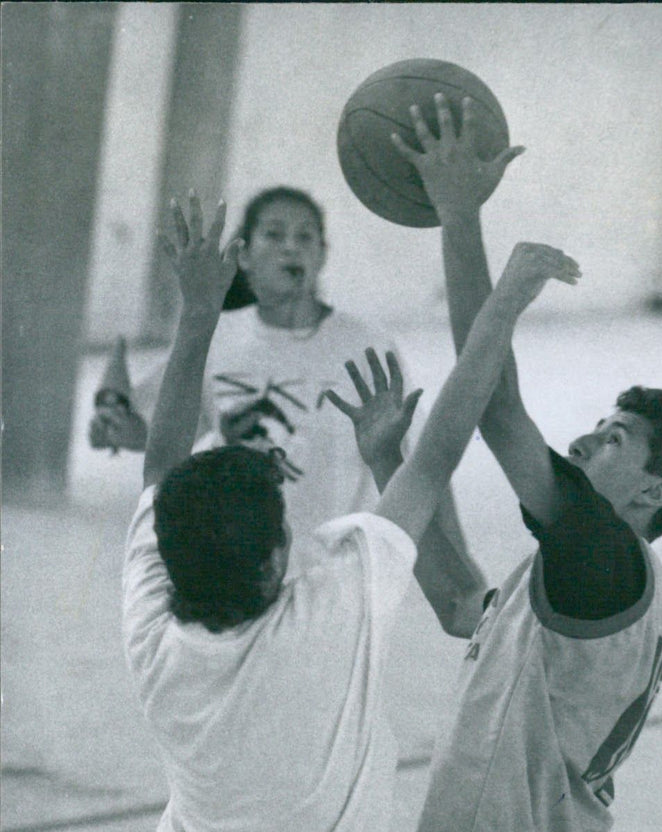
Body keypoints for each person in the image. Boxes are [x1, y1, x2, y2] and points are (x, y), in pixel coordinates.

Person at [106, 191, 574, 832]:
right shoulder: (339, 614)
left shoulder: (150, 628)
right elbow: (438, 451)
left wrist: (197, 313)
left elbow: (162, 465)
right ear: (277, 561)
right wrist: (501, 305)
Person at [341, 96, 662, 832]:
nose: (590, 435)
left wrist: (459, 214)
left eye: (618, 439)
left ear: (653, 493)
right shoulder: (591, 586)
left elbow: (499, 409)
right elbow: (461, 598)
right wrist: (392, 463)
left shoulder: (606, 557)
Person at [87, 184, 475, 574]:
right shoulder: (216, 334)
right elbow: (160, 438)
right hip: (231, 564)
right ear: (244, 256)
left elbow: (422, 464)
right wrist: (114, 426)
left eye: (305, 236)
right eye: (274, 235)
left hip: (329, 574)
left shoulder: (366, 344)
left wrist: (460, 568)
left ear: (322, 255)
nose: (291, 247)